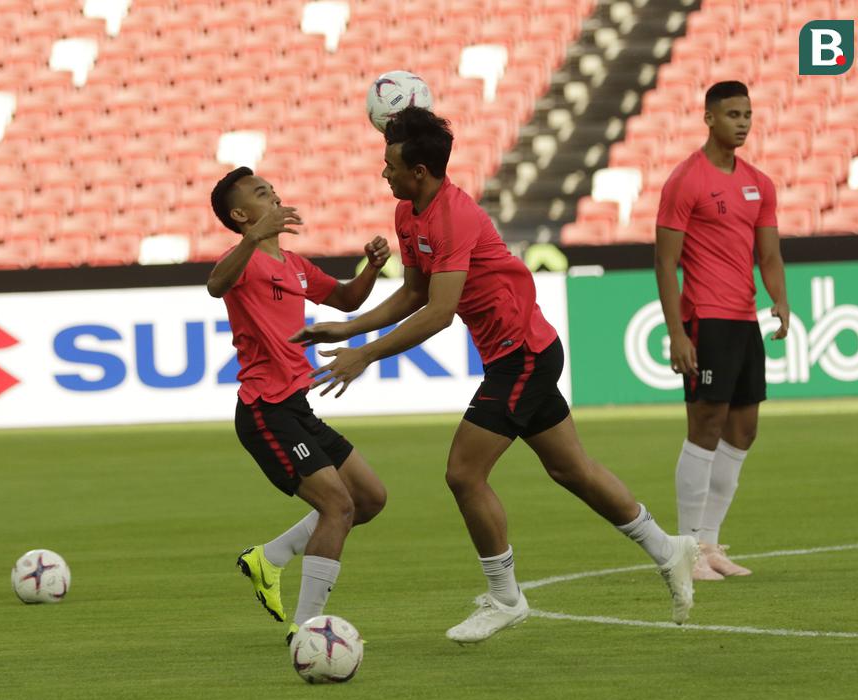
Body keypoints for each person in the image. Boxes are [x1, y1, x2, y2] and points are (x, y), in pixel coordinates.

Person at [291, 107, 697, 643]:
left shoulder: (452, 216)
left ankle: (505, 596)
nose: (382, 172)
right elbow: (415, 292)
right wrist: (348, 330)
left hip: (522, 352)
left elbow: (438, 312)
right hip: (516, 351)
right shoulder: (409, 212)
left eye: (390, 164)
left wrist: (365, 356)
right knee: (571, 469)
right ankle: (669, 550)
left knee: (463, 472)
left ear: (420, 171)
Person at [208, 167, 389, 642]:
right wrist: (251, 241)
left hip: (296, 409)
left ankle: (268, 558)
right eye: (260, 193)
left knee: (370, 498)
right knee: (338, 507)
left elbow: (348, 297)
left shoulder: (295, 266)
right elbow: (215, 284)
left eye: (272, 189)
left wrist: (372, 265)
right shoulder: (242, 260)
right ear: (241, 215)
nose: (274, 195)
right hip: (264, 411)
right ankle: (308, 631)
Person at [655, 81, 788, 581]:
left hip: (743, 320)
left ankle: (708, 543)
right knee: (706, 425)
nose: (743, 122)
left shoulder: (760, 183)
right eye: (732, 114)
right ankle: (685, 551)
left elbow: (768, 254)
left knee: (744, 429)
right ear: (708, 118)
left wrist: (779, 297)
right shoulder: (686, 180)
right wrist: (677, 333)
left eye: (748, 114)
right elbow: (665, 264)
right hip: (704, 319)